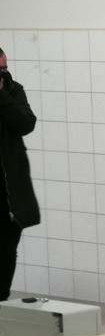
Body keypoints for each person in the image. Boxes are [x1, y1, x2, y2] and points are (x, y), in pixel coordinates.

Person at [0, 46, 39, 301]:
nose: (3, 74)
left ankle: (1, 302)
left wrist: (1, 95)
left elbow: (26, 124)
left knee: (6, 252)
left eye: (4, 68)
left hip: (10, 193)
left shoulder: (13, 90)